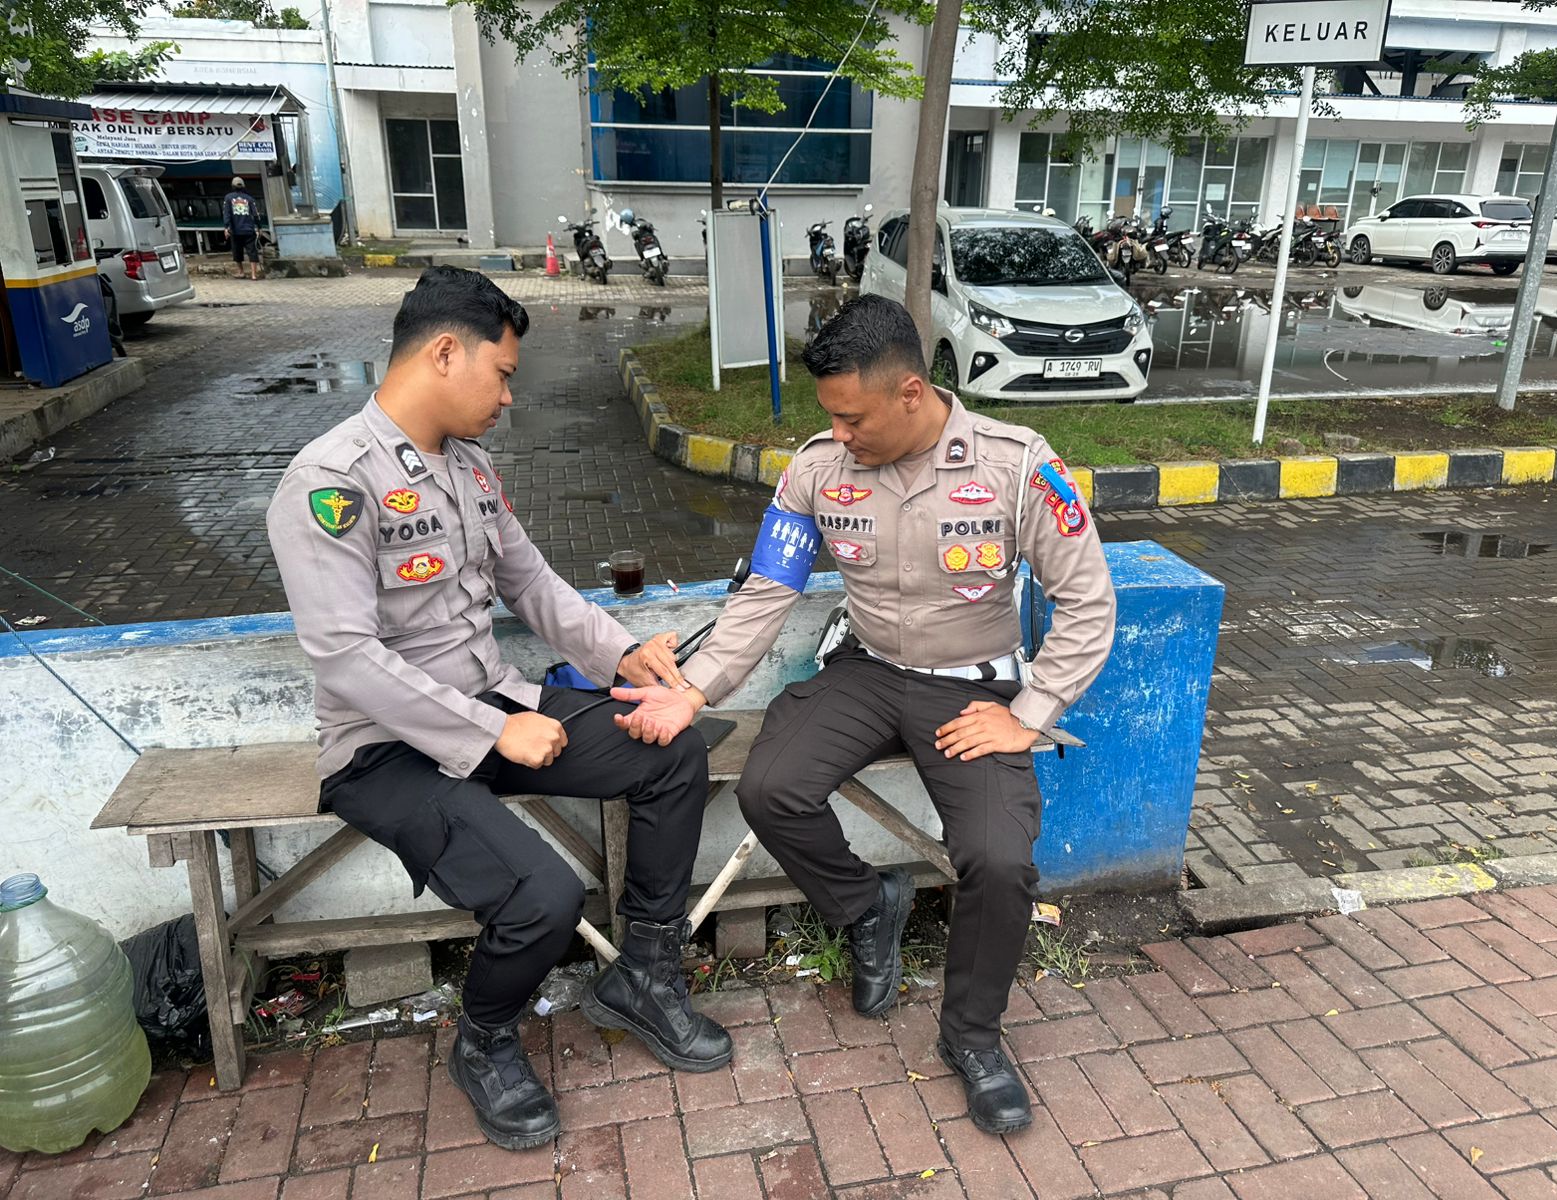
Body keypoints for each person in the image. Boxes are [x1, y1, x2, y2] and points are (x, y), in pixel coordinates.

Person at [609, 293, 1116, 1135]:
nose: (839, 434)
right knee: (770, 787)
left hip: (973, 691)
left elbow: (1089, 603)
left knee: (997, 858)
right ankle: (866, 909)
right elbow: (767, 592)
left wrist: (1029, 714)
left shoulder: (1017, 465)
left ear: (911, 392)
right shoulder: (817, 469)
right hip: (868, 670)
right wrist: (693, 689)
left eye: (853, 418)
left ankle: (972, 1037)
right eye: (831, 418)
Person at [265, 266, 732, 1151]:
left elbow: (531, 583)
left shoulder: (470, 466)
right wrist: (493, 729)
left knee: (673, 750)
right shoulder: (331, 481)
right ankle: (483, 1042)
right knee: (542, 896)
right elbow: (344, 657)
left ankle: (644, 974)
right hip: (384, 749)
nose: (510, 397)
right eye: (504, 373)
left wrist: (620, 653)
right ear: (446, 352)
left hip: (496, 709)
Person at [223, 176, 262, 280]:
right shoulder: (249, 199)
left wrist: (226, 227)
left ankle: (241, 272)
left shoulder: (228, 198)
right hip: (249, 230)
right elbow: (256, 214)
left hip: (235, 230)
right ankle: (254, 275)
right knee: (252, 251)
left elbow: (227, 214)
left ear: (232, 186)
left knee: (237, 252)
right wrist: (259, 227)